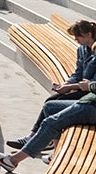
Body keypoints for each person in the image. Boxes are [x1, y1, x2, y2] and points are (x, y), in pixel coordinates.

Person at [7, 19, 96, 148]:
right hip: (82, 87)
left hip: (89, 93)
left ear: (89, 34)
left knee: (51, 103)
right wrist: (66, 84)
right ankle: (37, 137)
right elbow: (78, 72)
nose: (76, 39)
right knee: (54, 100)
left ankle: (36, 138)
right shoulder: (82, 50)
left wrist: (72, 87)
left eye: (78, 36)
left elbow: (92, 83)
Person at [0, 84, 96, 173]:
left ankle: (12, 160)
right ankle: (58, 155)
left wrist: (88, 85)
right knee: (50, 107)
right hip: (90, 101)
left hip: (92, 108)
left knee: (50, 123)